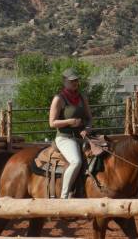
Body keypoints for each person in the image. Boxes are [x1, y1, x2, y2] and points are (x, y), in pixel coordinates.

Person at [49, 68, 92, 198]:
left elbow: (89, 118)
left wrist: (87, 129)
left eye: (76, 80)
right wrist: (69, 121)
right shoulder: (59, 99)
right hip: (65, 138)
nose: (75, 83)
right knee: (76, 162)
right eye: (71, 80)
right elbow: (52, 123)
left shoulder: (82, 97)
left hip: (82, 136)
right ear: (64, 81)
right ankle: (64, 196)